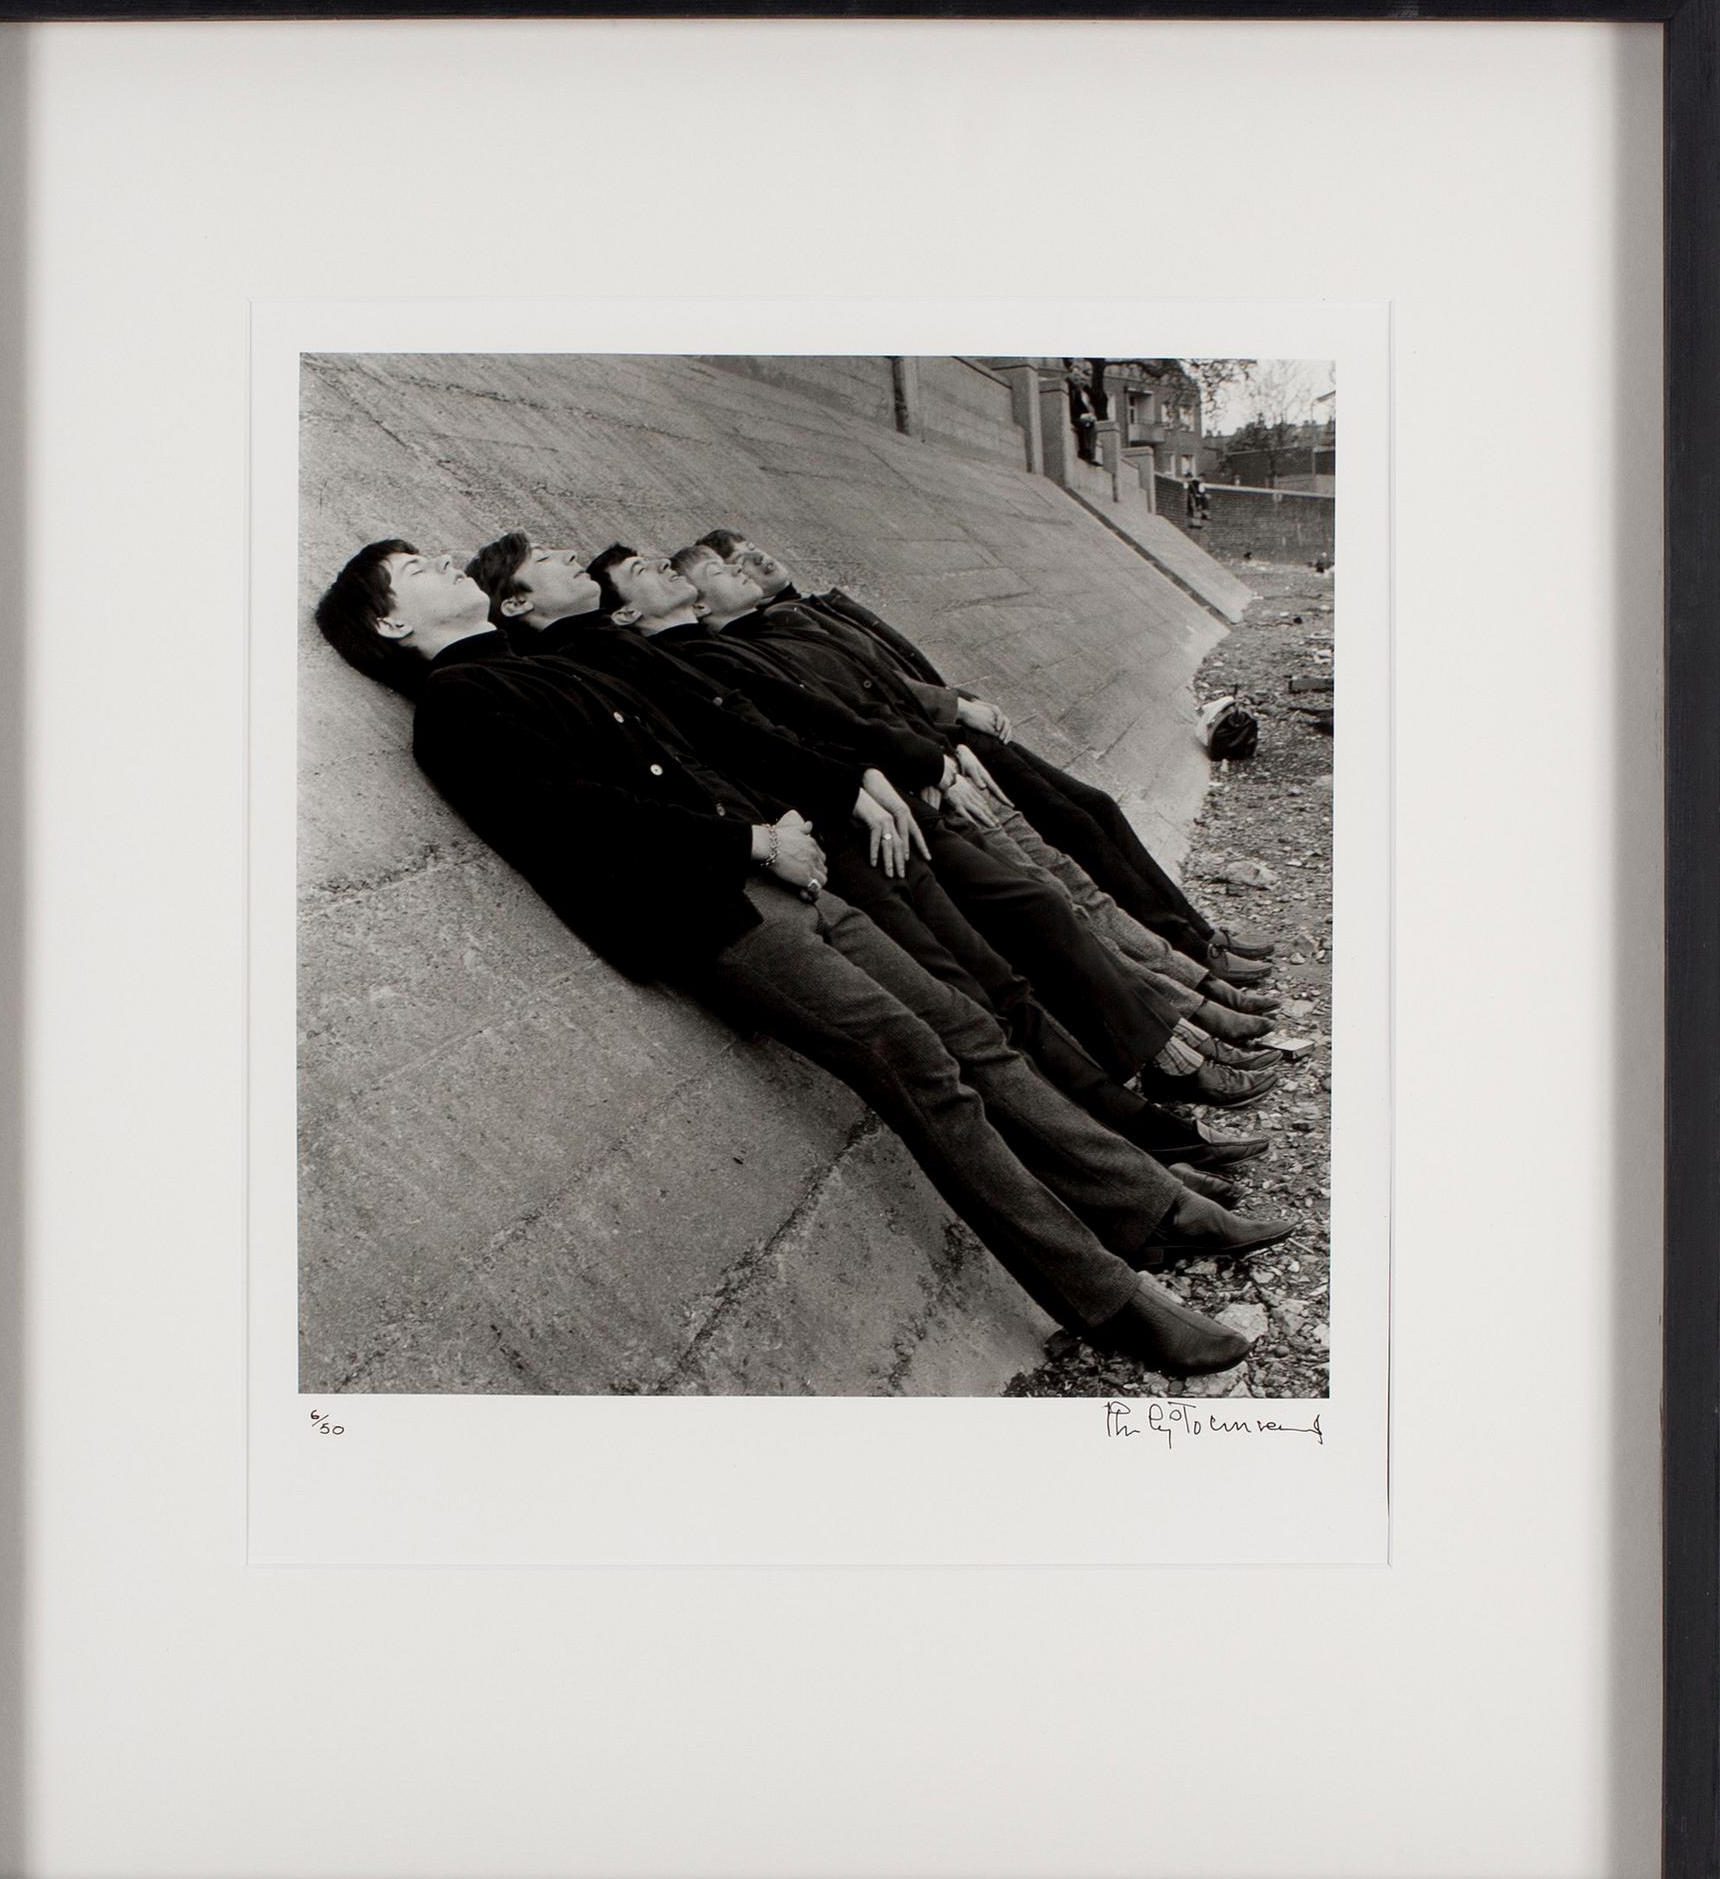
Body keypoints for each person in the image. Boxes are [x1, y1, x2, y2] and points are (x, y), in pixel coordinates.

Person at [314, 539, 1297, 1375]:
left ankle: (1151, 1206)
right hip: (716, 914)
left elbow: (682, 750)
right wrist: (747, 841)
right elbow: (577, 810)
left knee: (964, 1031)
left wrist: (774, 822)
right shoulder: (456, 701)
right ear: (393, 625)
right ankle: (1109, 1297)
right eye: (415, 567)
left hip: (783, 874)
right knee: (925, 1070)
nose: (442, 558)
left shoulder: (523, 663)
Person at [464, 531, 1269, 1182]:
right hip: (823, 840)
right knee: (989, 979)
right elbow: (739, 744)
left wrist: (881, 770)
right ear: (523, 602)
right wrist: (852, 788)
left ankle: (1148, 1097)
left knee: (1013, 948)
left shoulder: (644, 651)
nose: (585, 562)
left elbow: (787, 716)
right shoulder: (599, 662)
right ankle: (1139, 1121)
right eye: (566, 563)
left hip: (849, 812)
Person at [694, 529, 1276, 986]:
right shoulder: (766, 636)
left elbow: (889, 671)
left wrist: (956, 705)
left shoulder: (808, 608)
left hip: (946, 736)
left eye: (752, 550)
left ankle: (1197, 941)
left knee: (1089, 817)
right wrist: (949, 727)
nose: (757, 561)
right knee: (1072, 834)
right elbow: (867, 697)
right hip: (941, 746)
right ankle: (1193, 952)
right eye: (737, 563)